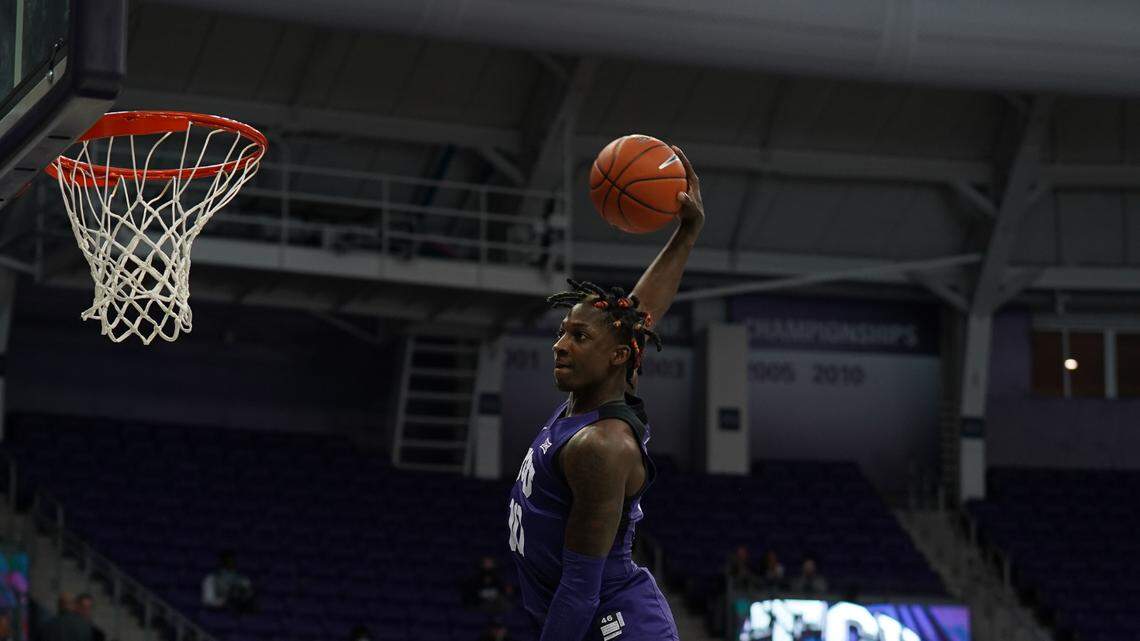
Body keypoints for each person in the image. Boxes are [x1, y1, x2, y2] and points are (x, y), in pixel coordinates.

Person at [507, 145, 704, 641]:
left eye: (579, 336)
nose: (560, 345)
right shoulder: (585, 405)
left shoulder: (602, 446)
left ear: (616, 356)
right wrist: (686, 233)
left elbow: (579, 588)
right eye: (561, 332)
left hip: (615, 628)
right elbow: (639, 314)